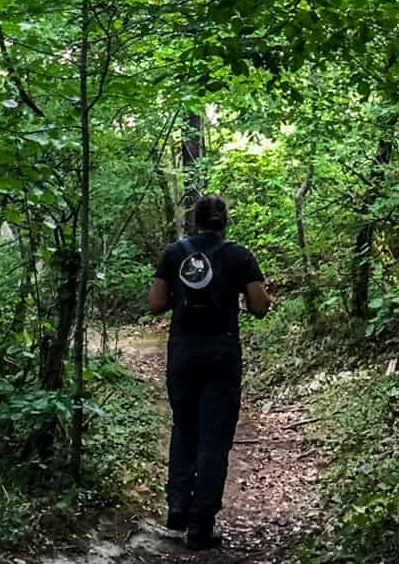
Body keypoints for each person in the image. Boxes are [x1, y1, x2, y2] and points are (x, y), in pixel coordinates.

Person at [147, 194, 270, 551]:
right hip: (221, 352)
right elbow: (259, 307)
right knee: (215, 436)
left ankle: (177, 508)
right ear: (225, 221)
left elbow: (155, 304)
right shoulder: (240, 255)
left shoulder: (174, 253)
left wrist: (182, 294)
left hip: (183, 350)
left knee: (185, 426)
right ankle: (201, 524)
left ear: (194, 220)